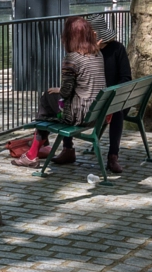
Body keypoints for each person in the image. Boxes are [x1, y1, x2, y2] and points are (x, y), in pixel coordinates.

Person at [14, 16, 105, 166]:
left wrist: (59, 90)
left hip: (79, 115)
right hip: (97, 112)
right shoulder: (98, 54)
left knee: (46, 99)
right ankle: (65, 149)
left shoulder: (72, 58)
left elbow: (65, 93)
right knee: (52, 101)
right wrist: (60, 90)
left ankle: (33, 153)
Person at [99, 28, 132, 174]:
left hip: (115, 97)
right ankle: (68, 149)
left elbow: (126, 77)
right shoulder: (87, 51)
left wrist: (113, 92)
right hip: (95, 100)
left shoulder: (118, 48)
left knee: (117, 107)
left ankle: (113, 156)